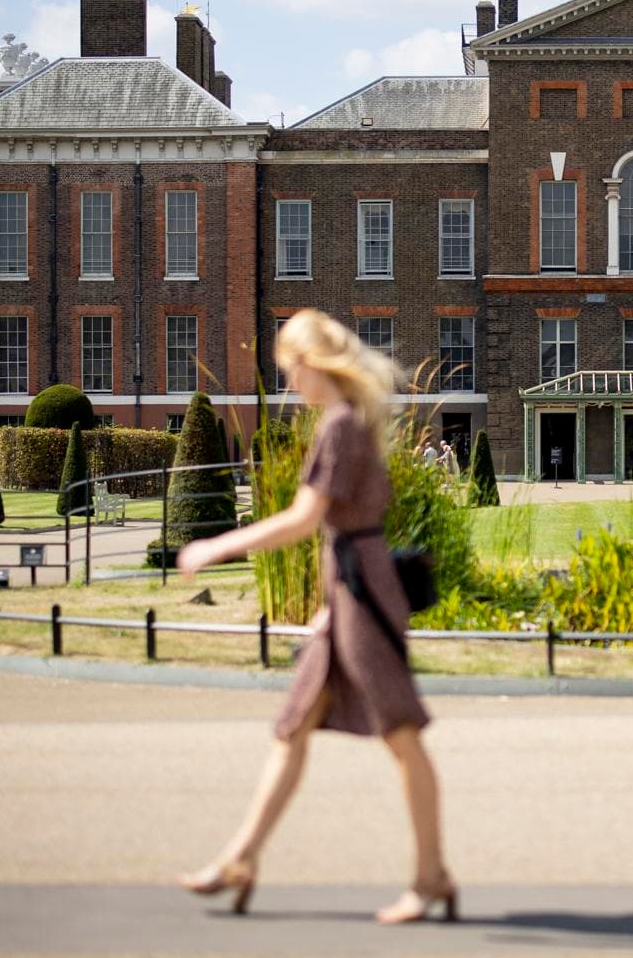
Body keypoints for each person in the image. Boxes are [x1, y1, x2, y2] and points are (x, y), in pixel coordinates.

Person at [175, 309, 455, 924]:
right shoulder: (346, 424)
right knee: (293, 725)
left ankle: (431, 875)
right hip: (347, 598)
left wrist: (217, 546)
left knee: (401, 735)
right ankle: (241, 858)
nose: (288, 383)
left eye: (289, 369)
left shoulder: (340, 429)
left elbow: (305, 519)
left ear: (311, 362)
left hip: (362, 599)